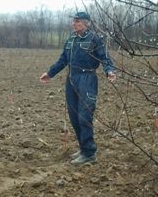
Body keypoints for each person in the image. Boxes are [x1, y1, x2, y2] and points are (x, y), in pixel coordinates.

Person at [40, 11, 116, 165]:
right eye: (73, 21)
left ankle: (89, 153)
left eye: (77, 21)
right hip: (72, 79)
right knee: (74, 117)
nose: (73, 24)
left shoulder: (95, 39)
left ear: (86, 23)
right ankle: (83, 149)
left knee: (84, 116)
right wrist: (50, 73)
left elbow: (105, 57)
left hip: (87, 80)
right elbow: (63, 60)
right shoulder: (71, 39)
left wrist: (109, 70)